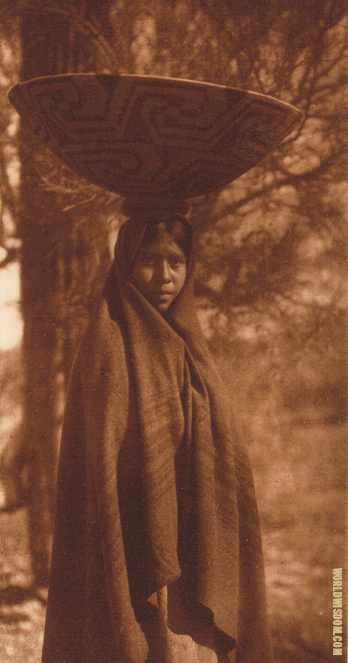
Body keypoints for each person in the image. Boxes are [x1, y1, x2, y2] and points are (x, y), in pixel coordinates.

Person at [42, 210, 273, 663]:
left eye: (176, 261)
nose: (164, 275)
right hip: (133, 549)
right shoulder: (108, 343)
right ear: (126, 263)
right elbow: (106, 467)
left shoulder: (192, 347)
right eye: (149, 260)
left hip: (196, 540)